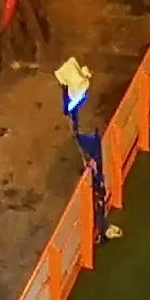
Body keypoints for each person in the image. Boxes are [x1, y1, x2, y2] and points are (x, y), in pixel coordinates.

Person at [54, 57, 113, 242]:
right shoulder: (83, 93)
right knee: (97, 186)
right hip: (91, 140)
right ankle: (100, 228)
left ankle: (100, 229)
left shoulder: (79, 97)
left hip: (90, 142)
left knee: (97, 189)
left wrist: (64, 91)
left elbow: (67, 109)